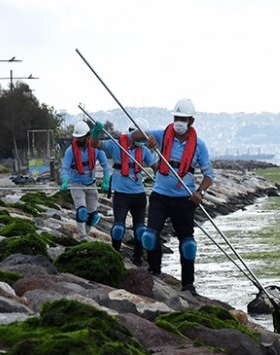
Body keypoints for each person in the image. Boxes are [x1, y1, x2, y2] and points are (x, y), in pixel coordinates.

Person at [131, 98, 215, 296]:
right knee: (150, 236)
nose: (179, 122)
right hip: (161, 195)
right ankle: (154, 272)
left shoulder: (199, 146)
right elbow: (134, 137)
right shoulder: (162, 135)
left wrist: (200, 192)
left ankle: (188, 285)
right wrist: (145, 138)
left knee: (187, 244)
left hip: (184, 200)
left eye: (183, 118)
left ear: (191, 121)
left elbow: (209, 175)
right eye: (177, 117)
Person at [89, 119, 158, 264]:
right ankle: (115, 253)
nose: (143, 139)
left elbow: (156, 167)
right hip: (121, 194)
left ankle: (138, 257)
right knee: (119, 227)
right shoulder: (115, 145)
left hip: (138, 194)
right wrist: (95, 134)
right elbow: (95, 144)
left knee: (140, 229)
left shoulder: (144, 150)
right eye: (141, 135)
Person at [60, 121, 111, 240]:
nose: (78, 140)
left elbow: (105, 165)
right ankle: (82, 236)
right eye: (77, 138)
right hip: (76, 184)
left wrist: (106, 180)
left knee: (92, 215)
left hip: (91, 183)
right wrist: (65, 181)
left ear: (87, 136)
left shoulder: (96, 149)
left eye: (81, 138)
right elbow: (65, 168)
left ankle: (86, 234)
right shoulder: (70, 151)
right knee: (82, 211)